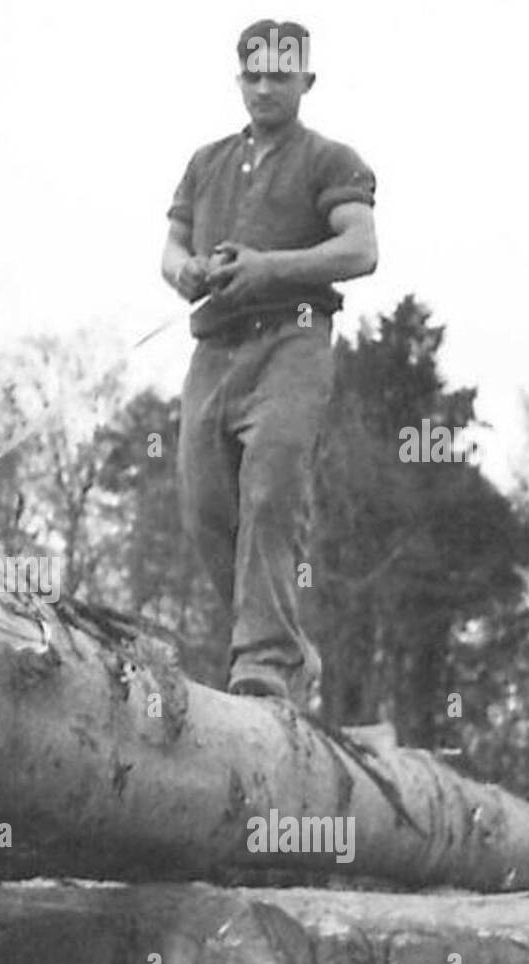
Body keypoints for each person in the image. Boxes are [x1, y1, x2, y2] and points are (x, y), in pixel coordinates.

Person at [162, 18, 377, 704]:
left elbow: (361, 249)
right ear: (239, 80)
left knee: (270, 492)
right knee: (203, 506)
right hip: (213, 348)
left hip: (293, 340)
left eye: (279, 76)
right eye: (253, 75)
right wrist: (189, 272)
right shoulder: (206, 163)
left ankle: (266, 660)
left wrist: (269, 269)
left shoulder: (331, 160)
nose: (264, 88)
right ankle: (282, 645)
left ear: (305, 82)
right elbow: (168, 252)